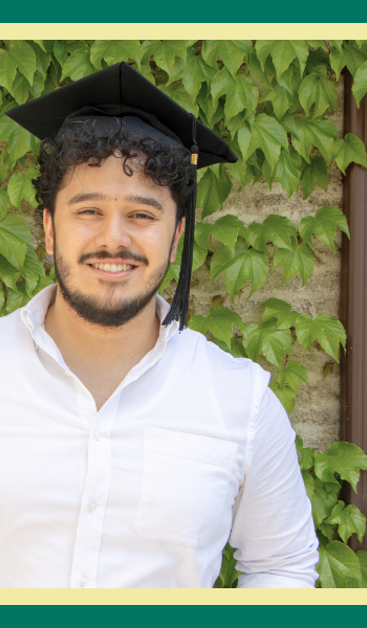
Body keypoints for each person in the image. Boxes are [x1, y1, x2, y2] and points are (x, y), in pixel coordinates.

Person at [0, 63, 318, 588]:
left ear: (176, 239)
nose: (114, 238)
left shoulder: (242, 401)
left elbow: (282, 567)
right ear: (50, 230)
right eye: (88, 211)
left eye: (143, 215)